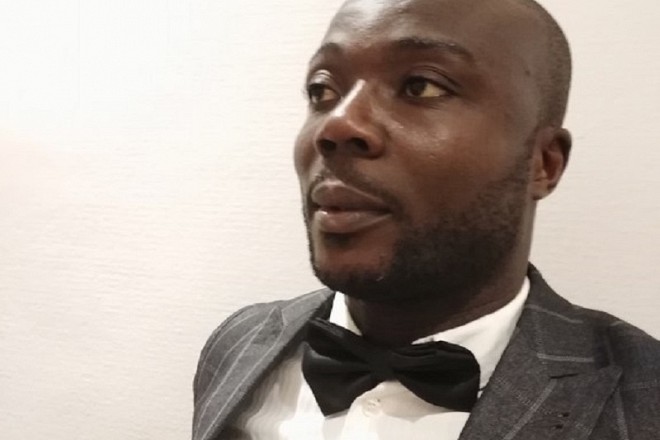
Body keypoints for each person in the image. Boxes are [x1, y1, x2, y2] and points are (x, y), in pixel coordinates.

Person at [192, 0, 660, 438]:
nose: (337, 125)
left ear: (543, 163)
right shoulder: (240, 342)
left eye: (421, 86)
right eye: (323, 91)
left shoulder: (645, 399)